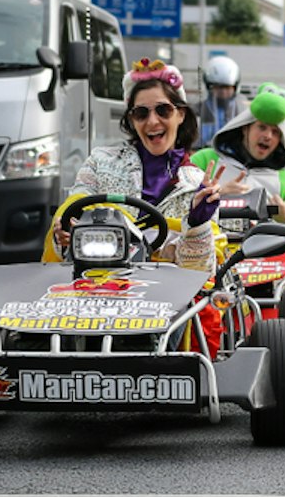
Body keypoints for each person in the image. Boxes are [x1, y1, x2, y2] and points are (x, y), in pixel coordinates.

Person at [47, 59, 225, 349]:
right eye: (141, 113)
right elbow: (75, 204)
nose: (152, 121)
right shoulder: (100, 161)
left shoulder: (197, 184)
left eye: (163, 110)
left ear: (180, 115)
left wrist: (198, 224)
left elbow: (200, 275)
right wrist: (64, 228)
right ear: (131, 121)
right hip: (91, 285)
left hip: (163, 305)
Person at [190, 83, 285, 245]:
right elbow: (173, 210)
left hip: (266, 266)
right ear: (245, 128)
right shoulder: (206, 161)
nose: (268, 136)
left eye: (275, 132)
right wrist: (217, 195)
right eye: (262, 127)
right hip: (210, 261)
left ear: (281, 139)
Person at [197, 55, 245, 146]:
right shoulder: (197, 111)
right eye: (218, 87)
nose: (223, 92)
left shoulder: (242, 112)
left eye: (227, 88)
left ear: (235, 88)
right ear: (209, 87)